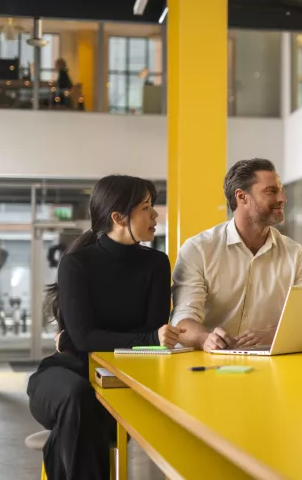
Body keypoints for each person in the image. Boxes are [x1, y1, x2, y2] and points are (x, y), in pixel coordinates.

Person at [27, 175, 183, 480]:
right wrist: (145, 338)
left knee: (86, 419)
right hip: (64, 376)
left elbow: (148, 334)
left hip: (118, 382)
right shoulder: (76, 263)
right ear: (118, 217)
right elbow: (90, 339)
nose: (155, 215)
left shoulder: (156, 263)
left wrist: (84, 338)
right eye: (146, 207)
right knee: (80, 398)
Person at [171, 158, 302, 352]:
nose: (282, 198)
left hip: (272, 366)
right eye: (271, 191)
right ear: (241, 196)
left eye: (280, 190)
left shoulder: (295, 254)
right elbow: (183, 322)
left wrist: (275, 333)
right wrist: (205, 339)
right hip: (209, 366)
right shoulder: (198, 249)